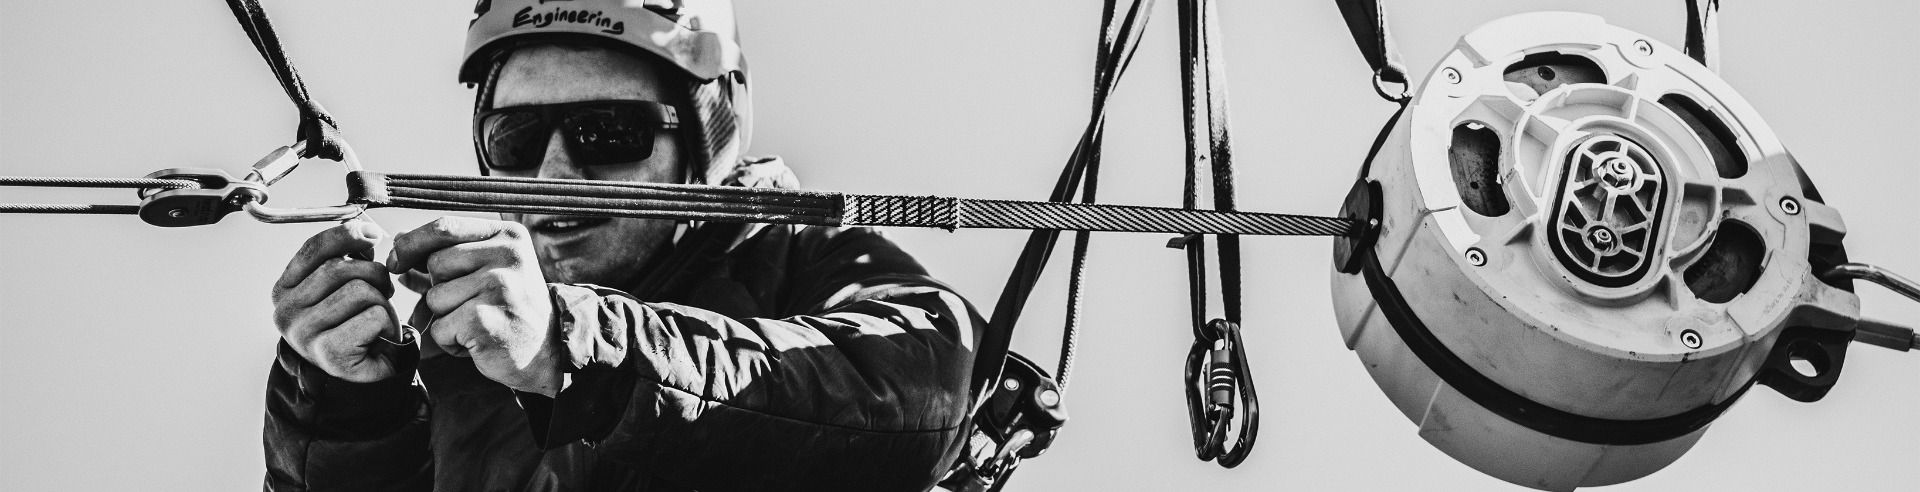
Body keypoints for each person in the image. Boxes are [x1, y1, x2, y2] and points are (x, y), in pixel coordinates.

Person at [262, 1, 984, 490]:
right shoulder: (447, 361)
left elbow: (929, 394)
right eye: (514, 138)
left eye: (609, 132)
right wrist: (345, 414)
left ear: (706, 142)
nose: (554, 174)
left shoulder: (799, 256)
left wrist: (569, 349)